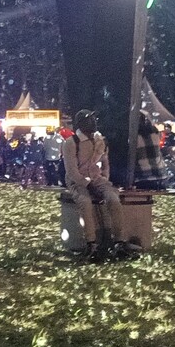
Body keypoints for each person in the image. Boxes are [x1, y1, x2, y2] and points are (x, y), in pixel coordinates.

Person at [63, 109, 135, 259]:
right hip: (78, 181)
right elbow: (71, 171)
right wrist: (88, 185)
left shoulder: (99, 141)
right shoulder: (71, 143)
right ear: (81, 124)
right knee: (85, 202)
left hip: (97, 179)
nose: (93, 123)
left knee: (114, 200)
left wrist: (104, 178)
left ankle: (119, 243)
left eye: (94, 119)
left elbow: (105, 163)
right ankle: (91, 244)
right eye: (89, 120)